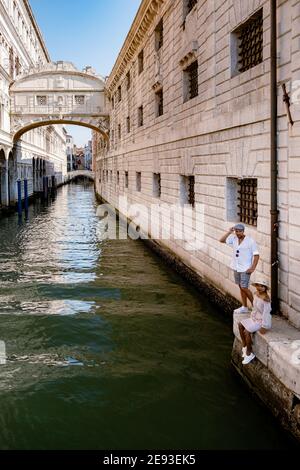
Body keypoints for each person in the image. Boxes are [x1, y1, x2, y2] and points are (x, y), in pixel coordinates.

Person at [220, 223, 259, 313]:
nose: (238, 233)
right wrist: (229, 232)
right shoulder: (233, 239)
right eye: (236, 231)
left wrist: (252, 268)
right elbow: (221, 240)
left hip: (245, 268)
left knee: (244, 287)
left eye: (240, 231)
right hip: (236, 267)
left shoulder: (250, 241)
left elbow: (256, 255)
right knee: (241, 287)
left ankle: (256, 308)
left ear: (243, 231)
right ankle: (244, 307)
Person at [238, 280, 272, 364]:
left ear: (265, 288)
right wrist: (252, 316)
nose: (260, 288)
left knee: (247, 331)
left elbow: (266, 314)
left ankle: (249, 354)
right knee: (240, 324)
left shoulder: (266, 299)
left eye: (262, 286)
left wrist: (264, 326)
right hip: (254, 318)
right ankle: (245, 346)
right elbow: (254, 308)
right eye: (258, 285)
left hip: (261, 321)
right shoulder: (256, 294)